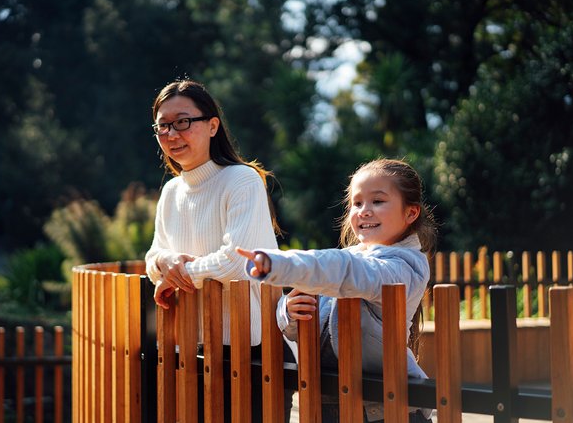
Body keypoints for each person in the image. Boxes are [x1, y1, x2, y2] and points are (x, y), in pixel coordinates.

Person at [236, 158, 436, 423]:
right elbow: (315, 327)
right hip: (332, 400)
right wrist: (288, 313)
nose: (364, 211)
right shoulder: (349, 259)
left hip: (386, 408)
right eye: (357, 203)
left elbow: (347, 270)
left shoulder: (403, 266)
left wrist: (280, 264)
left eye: (377, 201)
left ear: (411, 213)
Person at [144, 79, 284, 421]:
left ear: (212, 125)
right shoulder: (171, 192)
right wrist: (167, 260)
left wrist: (178, 274)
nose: (172, 134)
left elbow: (237, 263)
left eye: (182, 122)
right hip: (187, 343)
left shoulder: (242, 180)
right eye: (163, 126)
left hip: (246, 345)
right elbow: (151, 259)